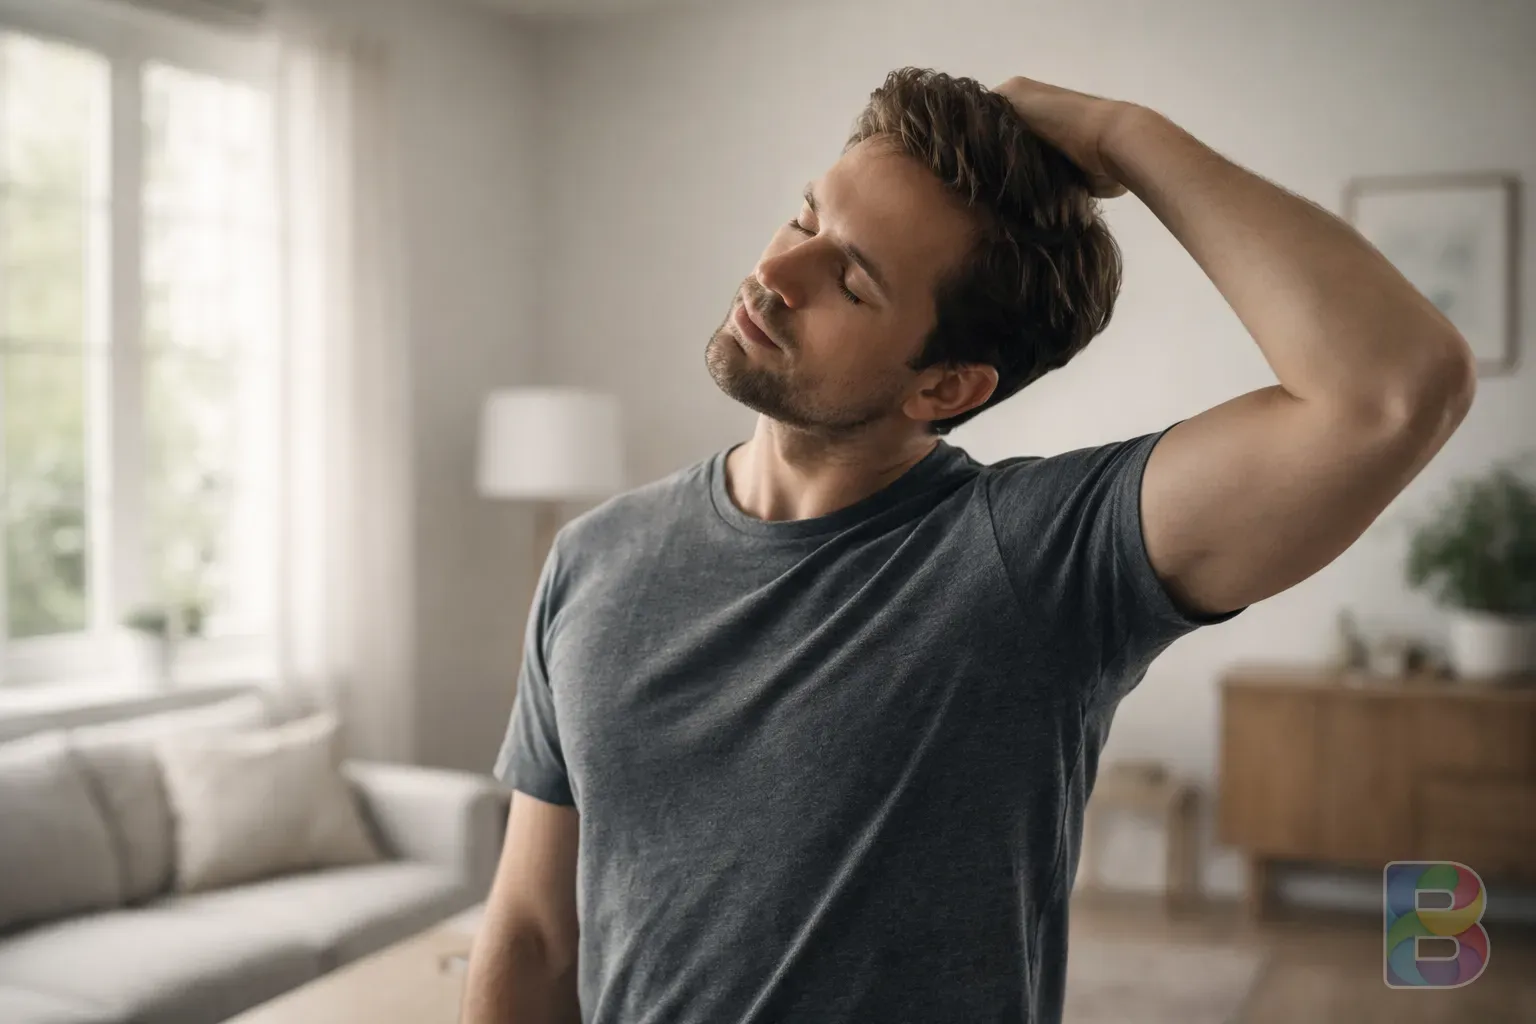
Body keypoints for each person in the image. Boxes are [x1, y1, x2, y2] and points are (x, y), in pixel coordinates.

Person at [461, 68, 1475, 1024]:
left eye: (850, 281)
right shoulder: (592, 558)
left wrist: (1123, 134)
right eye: (804, 217)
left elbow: (1391, 391)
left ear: (945, 387)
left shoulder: (1036, 562)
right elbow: (537, 932)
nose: (775, 271)